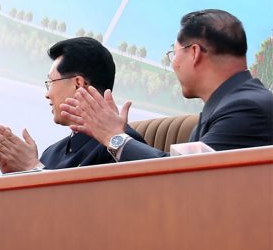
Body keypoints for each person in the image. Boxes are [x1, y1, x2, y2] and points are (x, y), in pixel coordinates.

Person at [62, 9, 273, 160]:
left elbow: (185, 177)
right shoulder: (233, 104)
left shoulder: (246, 108)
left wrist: (114, 137)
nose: (173, 64)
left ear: (194, 53)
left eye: (174, 53)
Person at [0, 37, 144, 172]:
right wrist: (16, 177)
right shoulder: (51, 153)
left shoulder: (122, 147)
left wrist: (33, 168)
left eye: (50, 82)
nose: (47, 94)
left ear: (78, 83)